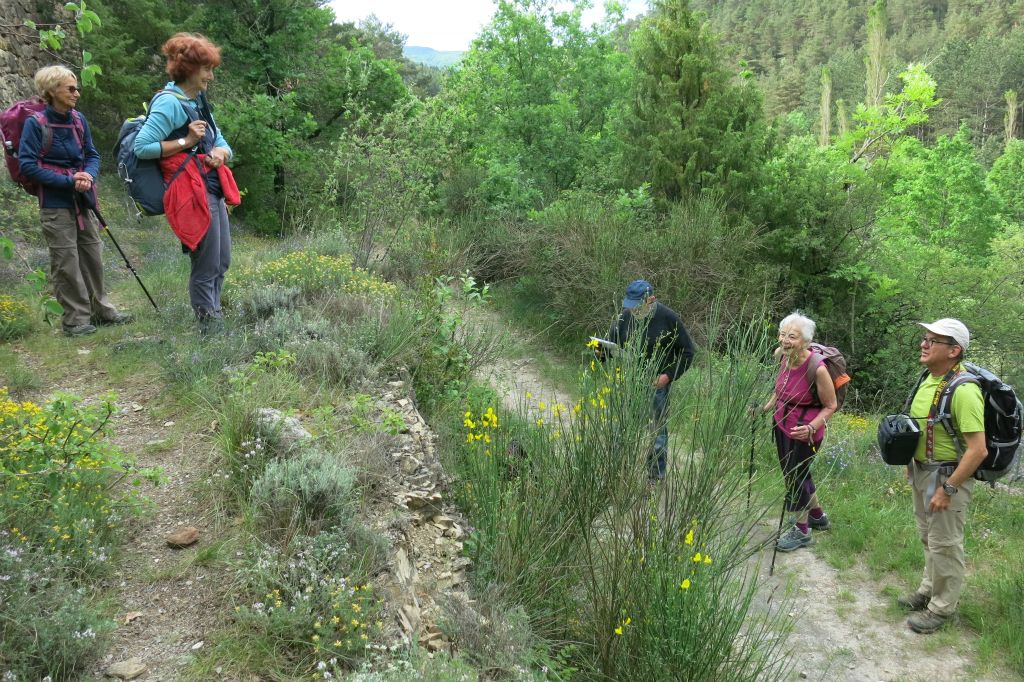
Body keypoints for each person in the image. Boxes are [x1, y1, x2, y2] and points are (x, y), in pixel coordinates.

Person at [17, 65, 131, 336]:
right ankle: (75, 320)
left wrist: (87, 177)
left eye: (76, 87)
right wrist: (71, 180)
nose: (77, 93)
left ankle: (101, 309)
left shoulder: (78, 120)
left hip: (84, 200)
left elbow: (92, 155)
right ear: (51, 91)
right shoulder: (36, 124)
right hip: (55, 204)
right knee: (65, 260)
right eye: (70, 88)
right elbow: (28, 167)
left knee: (92, 254)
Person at [133, 33, 234, 334]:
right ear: (189, 68)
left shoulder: (197, 101)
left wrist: (219, 152)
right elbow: (142, 146)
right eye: (206, 69)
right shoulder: (170, 104)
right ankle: (210, 327)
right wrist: (186, 140)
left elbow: (222, 140)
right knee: (206, 264)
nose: (211, 76)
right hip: (189, 192)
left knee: (221, 260)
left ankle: (214, 315)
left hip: (211, 187)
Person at [897, 318, 985, 634]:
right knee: (928, 536)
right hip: (922, 471)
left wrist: (948, 488)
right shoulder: (928, 378)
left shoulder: (964, 390)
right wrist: (911, 460)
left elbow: (978, 450)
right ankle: (927, 590)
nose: (924, 343)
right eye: (925, 337)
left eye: (933, 340)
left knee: (945, 543)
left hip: (947, 477)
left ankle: (943, 609)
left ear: (953, 351)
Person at [602, 279, 696, 481]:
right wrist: (600, 352)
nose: (633, 311)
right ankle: (620, 473)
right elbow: (611, 343)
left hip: (656, 386)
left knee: (656, 433)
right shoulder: (624, 317)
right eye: (630, 306)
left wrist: (668, 375)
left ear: (651, 300)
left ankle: (655, 477)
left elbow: (688, 352)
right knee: (621, 428)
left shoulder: (668, 317)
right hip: (629, 382)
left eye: (637, 306)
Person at [761, 312, 837, 552]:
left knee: (795, 477)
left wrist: (812, 427)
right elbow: (780, 387)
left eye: (792, 337)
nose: (785, 340)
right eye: (782, 334)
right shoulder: (782, 356)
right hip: (782, 424)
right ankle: (817, 516)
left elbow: (831, 405)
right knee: (800, 474)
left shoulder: (817, 368)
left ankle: (802, 531)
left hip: (805, 432)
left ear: (805, 341)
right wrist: (766, 407)